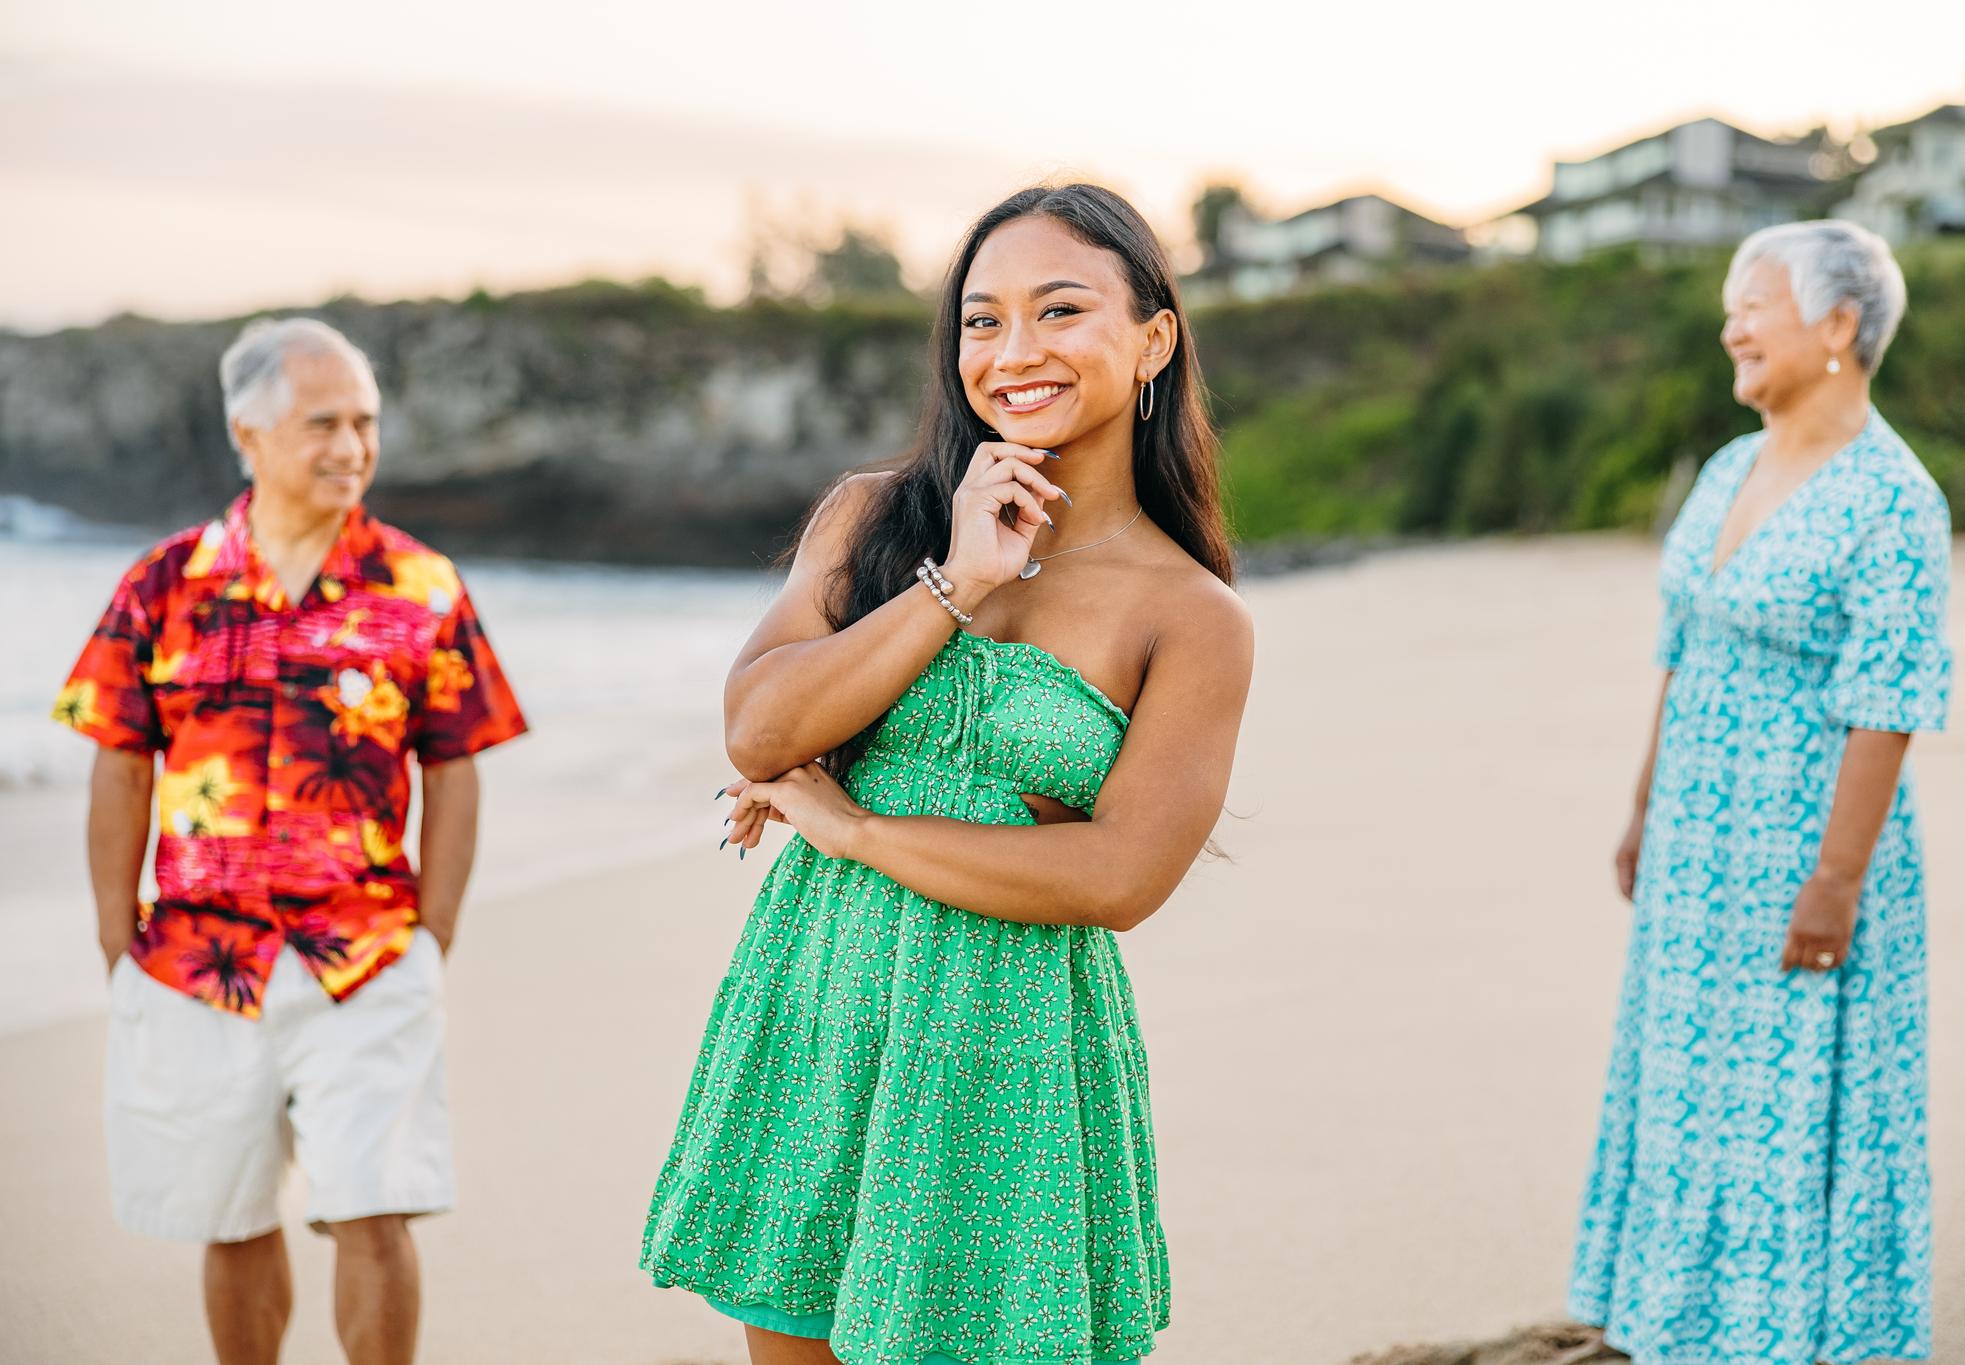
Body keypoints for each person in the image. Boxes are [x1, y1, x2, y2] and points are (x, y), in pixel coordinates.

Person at [640, 183, 1254, 1365]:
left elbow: (1118, 874)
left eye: (1059, 311)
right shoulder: (873, 520)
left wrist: (853, 828)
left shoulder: (1192, 616)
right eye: (980, 321)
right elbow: (759, 730)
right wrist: (955, 584)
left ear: (1153, 339)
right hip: (819, 1003)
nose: (1012, 352)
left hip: (1003, 1037)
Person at [53, 317, 527, 1365]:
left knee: (375, 1206)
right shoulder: (161, 586)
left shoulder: (422, 588)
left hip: (366, 955)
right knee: (227, 1214)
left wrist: (433, 931)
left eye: (365, 422)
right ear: (249, 435)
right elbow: (121, 763)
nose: (352, 446)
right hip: (193, 961)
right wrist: (111, 941)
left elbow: (454, 767)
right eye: (323, 423)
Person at [1569, 221, 1952, 1364]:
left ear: (1838, 327)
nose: (1728, 326)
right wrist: (1643, 807)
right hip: (1695, 837)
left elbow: (1887, 702)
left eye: (1755, 305)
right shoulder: (1730, 466)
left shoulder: (1892, 498)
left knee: (1789, 1095)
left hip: (1803, 845)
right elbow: (1678, 645)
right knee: (1690, 1082)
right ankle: (1689, 1327)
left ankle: (1800, 1335)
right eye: (1727, 305)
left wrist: (1835, 882)